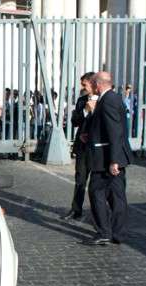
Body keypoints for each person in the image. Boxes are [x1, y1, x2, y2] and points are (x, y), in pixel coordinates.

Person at [86, 72, 132, 245]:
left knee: (96, 192)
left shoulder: (108, 100)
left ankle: (104, 231)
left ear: (98, 84)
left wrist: (114, 160)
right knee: (116, 195)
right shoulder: (113, 98)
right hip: (112, 156)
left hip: (106, 158)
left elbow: (115, 131)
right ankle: (118, 233)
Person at [63, 72, 95, 221]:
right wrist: (85, 111)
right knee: (80, 180)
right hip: (82, 147)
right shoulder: (82, 100)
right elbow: (74, 121)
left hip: (96, 149)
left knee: (98, 184)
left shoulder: (103, 100)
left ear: (93, 83)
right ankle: (76, 210)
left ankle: (99, 213)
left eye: (84, 84)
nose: (83, 87)